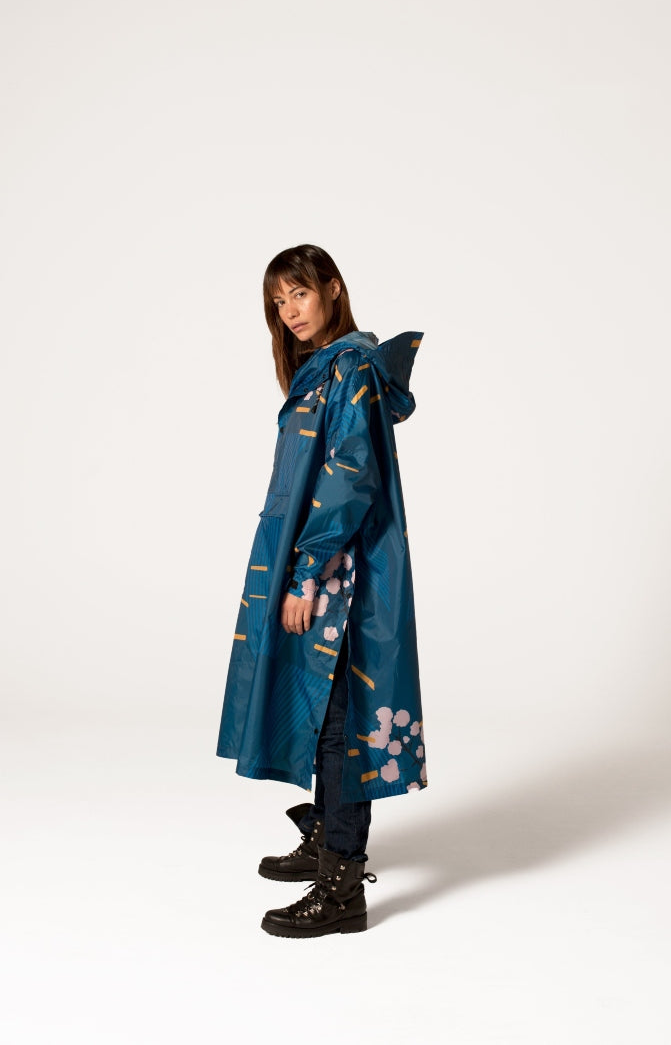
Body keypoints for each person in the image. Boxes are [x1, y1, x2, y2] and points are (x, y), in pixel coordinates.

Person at [216, 243, 426, 938]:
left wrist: (308, 572)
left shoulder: (352, 367)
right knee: (322, 707)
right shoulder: (320, 371)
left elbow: (348, 480)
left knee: (341, 719)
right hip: (319, 565)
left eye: (299, 294)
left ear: (333, 289)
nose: (289, 311)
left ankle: (342, 884)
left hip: (340, 575)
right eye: (278, 301)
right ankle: (326, 840)